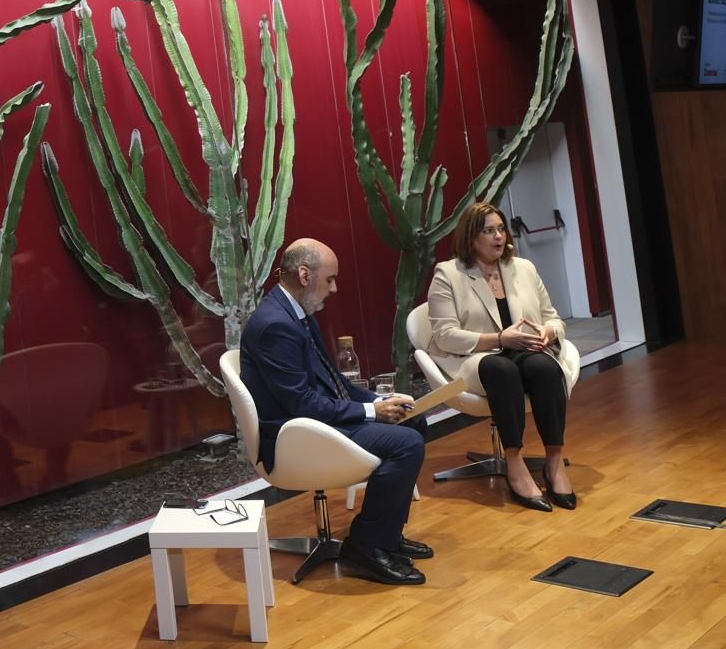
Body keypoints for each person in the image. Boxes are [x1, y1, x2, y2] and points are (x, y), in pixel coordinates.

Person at [241, 239, 431, 586]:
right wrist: (371, 412)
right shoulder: (275, 326)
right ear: (304, 275)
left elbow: (332, 382)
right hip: (296, 435)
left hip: (314, 421)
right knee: (406, 444)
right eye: (329, 279)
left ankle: (387, 535)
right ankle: (366, 546)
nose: (334, 288)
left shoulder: (297, 314)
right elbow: (301, 403)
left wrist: (377, 400)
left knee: (413, 420)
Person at [426, 201, 578, 511]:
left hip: (524, 350)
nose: (498, 237)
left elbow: (552, 316)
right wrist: (498, 338)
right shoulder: (448, 275)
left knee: (545, 368)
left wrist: (549, 333)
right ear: (471, 238)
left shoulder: (523, 268)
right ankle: (514, 462)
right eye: (488, 231)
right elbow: (444, 335)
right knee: (501, 369)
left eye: (500, 229)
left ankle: (554, 461)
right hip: (477, 358)